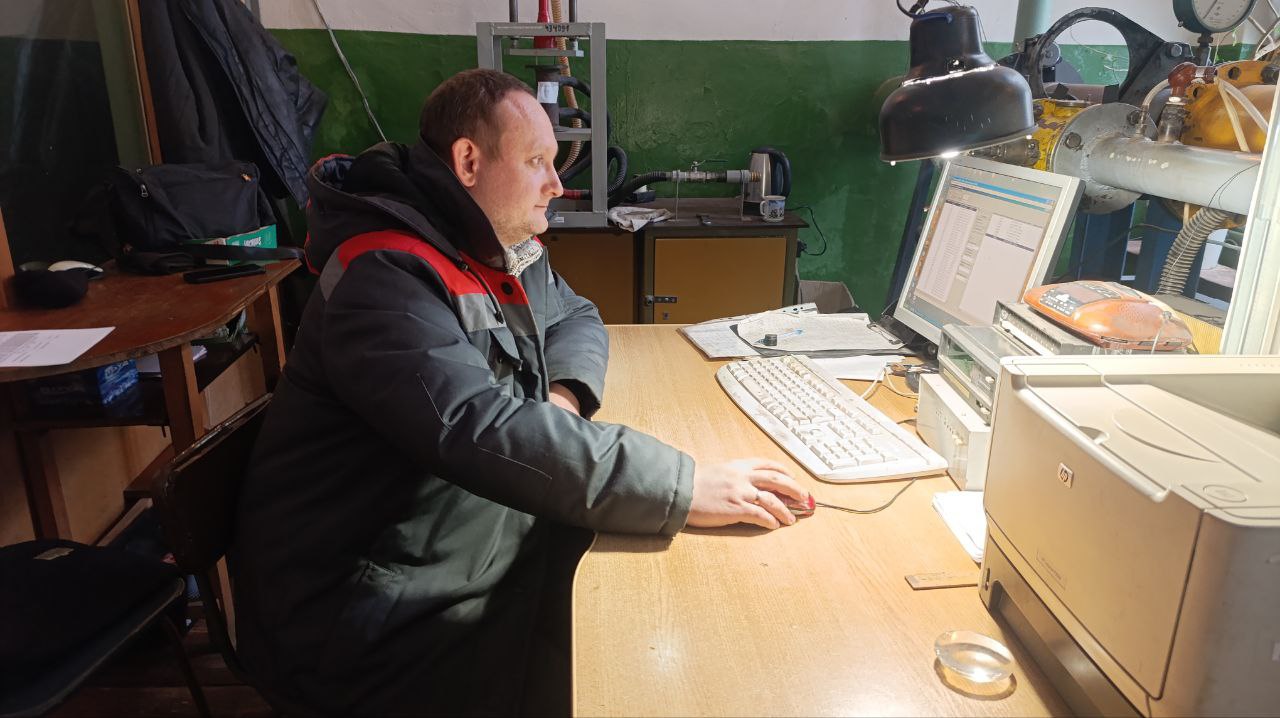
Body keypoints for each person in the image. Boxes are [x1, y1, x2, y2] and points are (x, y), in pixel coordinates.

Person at [230, 68, 809, 716]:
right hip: (372, 617)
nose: (556, 184)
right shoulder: (384, 275)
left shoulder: (499, 246)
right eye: (536, 161)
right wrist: (681, 485)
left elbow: (576, 314)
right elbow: (477, 426)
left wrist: (560, 399)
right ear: (468, 161)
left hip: (472, 546)